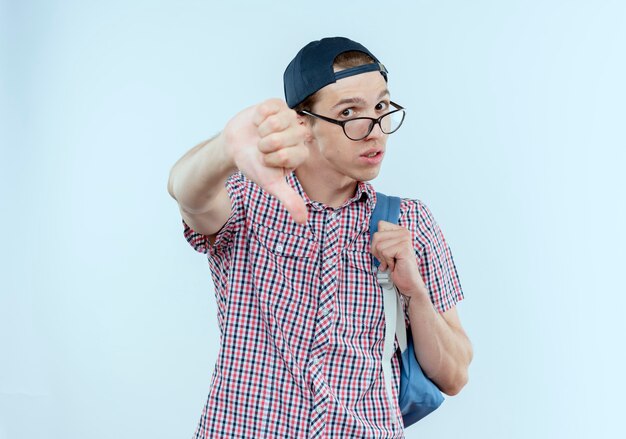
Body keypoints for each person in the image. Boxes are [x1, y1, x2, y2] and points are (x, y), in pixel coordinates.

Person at [168, 36, 472, 438]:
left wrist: (414, 293)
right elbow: (187, 194)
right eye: (350, 112)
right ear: (303, 124)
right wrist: (226, 148)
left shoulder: (409, 221)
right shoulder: (245, 199)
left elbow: (455, 376)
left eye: (381, 107)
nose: (376, 130)